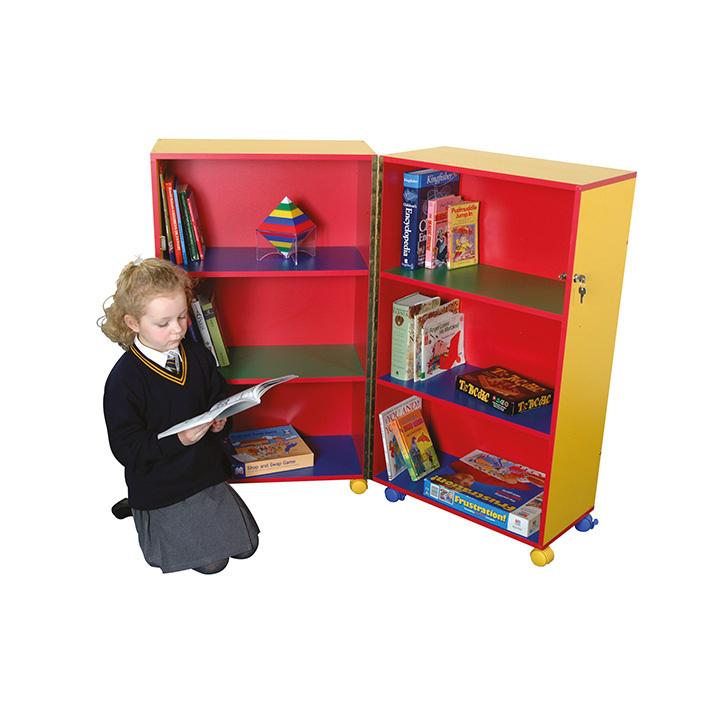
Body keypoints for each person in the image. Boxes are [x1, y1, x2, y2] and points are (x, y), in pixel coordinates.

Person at [99, 257, 259, 574]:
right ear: (133, 323)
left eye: (182, 316)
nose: (177, 329)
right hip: (160, 484)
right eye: (163, 323)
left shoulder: (196, 355)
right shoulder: (124, 380)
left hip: (203, 472)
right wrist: (180, 440)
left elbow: (217, 395)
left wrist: (221, 421)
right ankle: (140, 509)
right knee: (213, 564)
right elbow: (127, 450)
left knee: (247, 548)